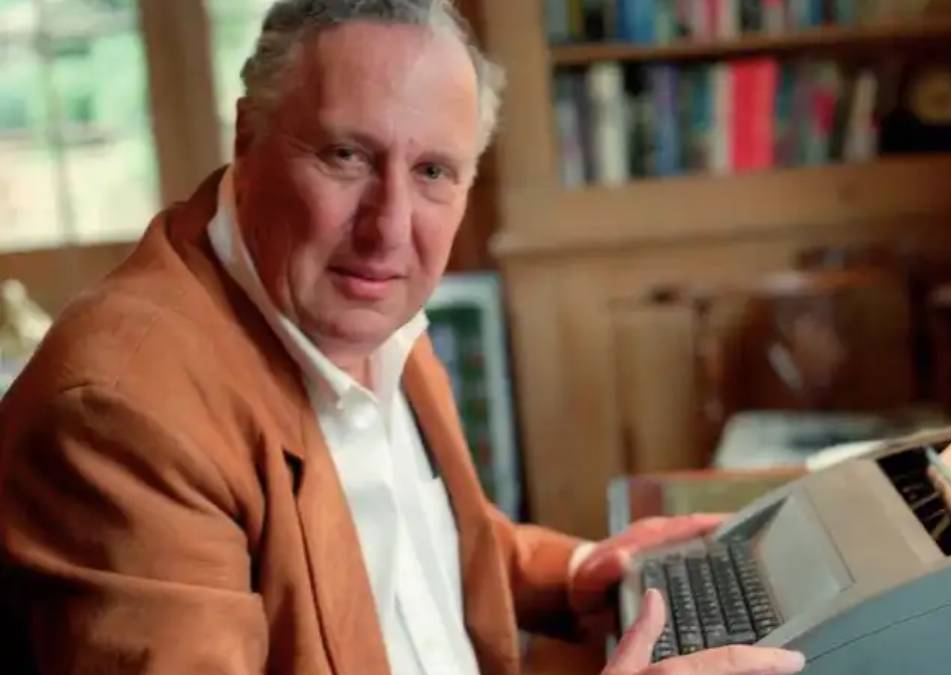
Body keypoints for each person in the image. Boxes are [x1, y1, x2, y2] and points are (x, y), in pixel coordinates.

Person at [0, 2, 806, 674]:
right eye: (346, 155)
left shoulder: (358, 306)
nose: (389, 228)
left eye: (432, 173)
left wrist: (575, 573)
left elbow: (411, 544)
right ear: (246, 138)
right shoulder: (122, 418)